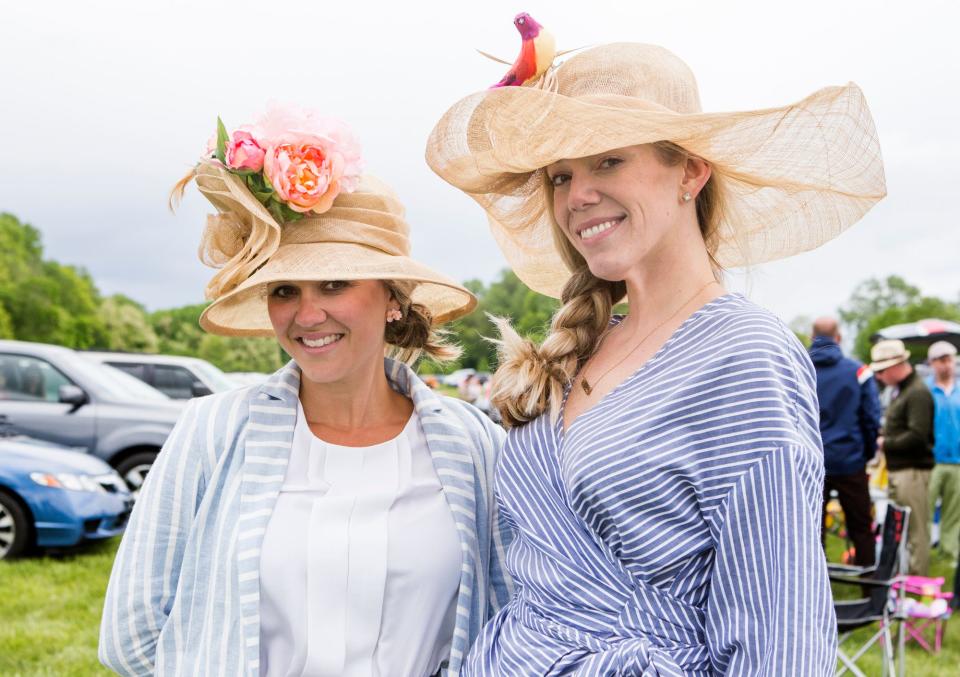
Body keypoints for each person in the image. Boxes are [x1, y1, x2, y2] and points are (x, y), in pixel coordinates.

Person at [428, 41, 885, 674]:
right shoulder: (581, 347)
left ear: (690, 172)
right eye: (561, 176)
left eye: (608, 161)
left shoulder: (741, 354)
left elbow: (781, 639)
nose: (577, 195)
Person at [99, 110, 513, 676]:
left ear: (392, 299)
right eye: (285, 289)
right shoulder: (211, 432)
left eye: (335, 283)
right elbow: (133, 635)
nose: (307, 314)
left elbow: (506, 615)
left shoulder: (473, 445)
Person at [809, 317, 882, 566]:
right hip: (850, 460)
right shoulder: (858, 372)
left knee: (811, 529)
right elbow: (871, 418)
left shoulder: (799, 367)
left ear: (812, 337)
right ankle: (869, 587)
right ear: (838, 338)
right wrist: (867, 453)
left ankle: (812, 588)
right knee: (861, 527)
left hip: (811, 461)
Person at [871, 339, 934, 575]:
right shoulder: (903, 390)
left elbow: (918, 435)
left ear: (897, 365)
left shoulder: (917, 392)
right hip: (901, 469)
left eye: (881, 371)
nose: (879, 377)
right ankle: (906, 578)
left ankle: (919, 583)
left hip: (912, 470)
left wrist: (884, 442)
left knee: (916, 530)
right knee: (902, 528)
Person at [926, 340, 960, 560]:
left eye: (948, 360)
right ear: (932, 364)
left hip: (957, 459)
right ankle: (924, 550)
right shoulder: (926, 390)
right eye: (940, 360)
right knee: (925, 507)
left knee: (953, 510)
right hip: (931, 459)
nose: (946, 365)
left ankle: (949, 551)